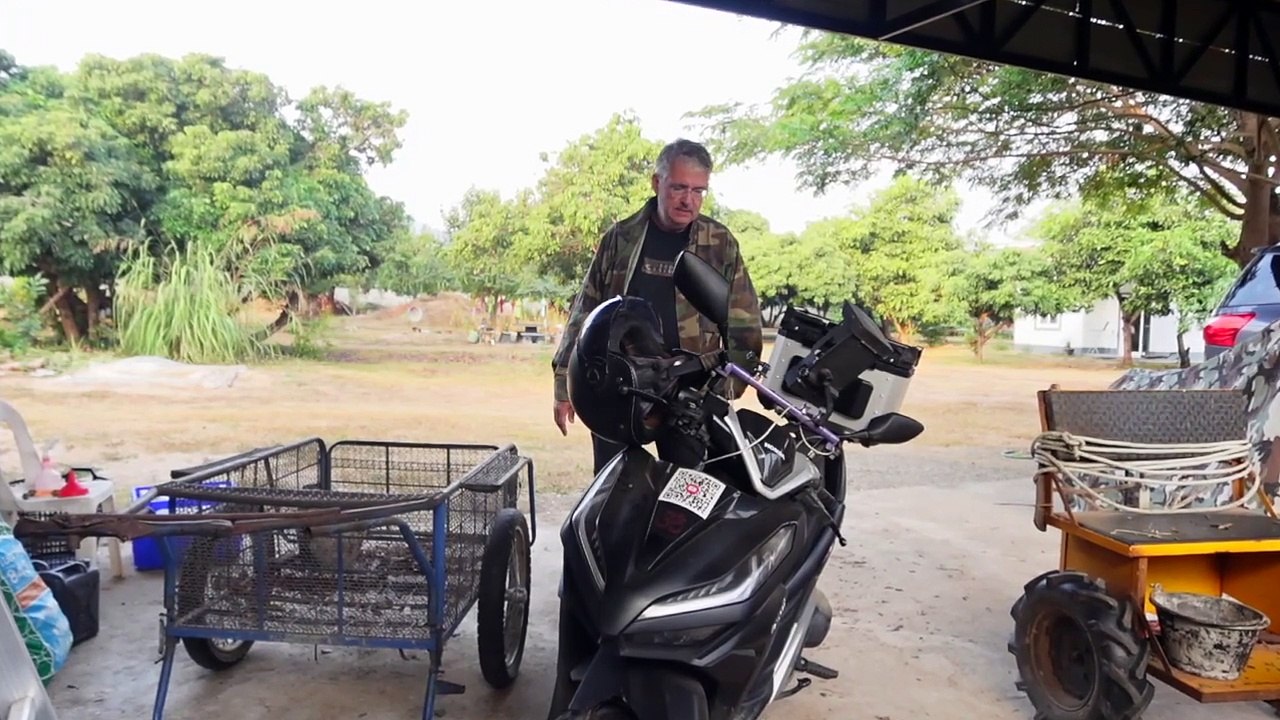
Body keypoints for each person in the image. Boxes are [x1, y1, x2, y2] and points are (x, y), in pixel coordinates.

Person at [550, 138, 764, 474]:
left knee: (686, 498)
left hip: (690, 392)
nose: (688, 200)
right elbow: (585, 311)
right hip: (619, 386)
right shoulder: (620, 239)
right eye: (679, 187)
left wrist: (725, 389)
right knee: (613, 490)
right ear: (656, 182)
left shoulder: (719, 243)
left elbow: (744, 321)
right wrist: (564, 384)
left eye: (698, 191)